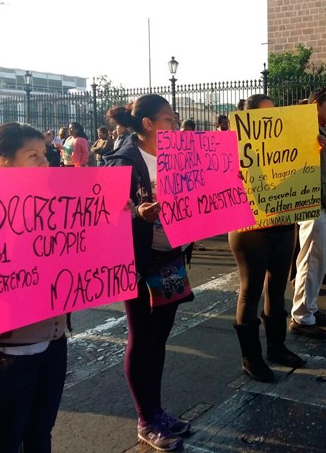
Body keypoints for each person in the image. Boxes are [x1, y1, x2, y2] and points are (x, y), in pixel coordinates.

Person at [0, 122, 69, 453]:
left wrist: (112, 217)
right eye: (33, 156)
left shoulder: (55, 205)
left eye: (45, 155)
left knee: (40, 435)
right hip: (4, 356)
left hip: (53, 344)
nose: (44, 162)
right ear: (3, 163)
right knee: (5, 442)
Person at [104, 95, 194, 452]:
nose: (174, 125)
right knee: (142, 339)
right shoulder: (123, 161)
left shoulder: (178, 155)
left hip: (172, 256)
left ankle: (157, 411)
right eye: (169, 119)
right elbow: (107, 216)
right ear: (148, 124)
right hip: (139, 262)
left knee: (160, 337)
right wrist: (137, 215)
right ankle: (146, 419)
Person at [228, 94, 306, 382]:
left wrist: (313, 150)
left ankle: (277, 347)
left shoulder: (288, 144)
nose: (272, 118)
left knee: (276, 289)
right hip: (250, 227)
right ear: (248, 119)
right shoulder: (231, 147)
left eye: (274, 112)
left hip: (283, 222)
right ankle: (251, 357)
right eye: (265, 114)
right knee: (250, 291)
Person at [289, 88, 326, 339]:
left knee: (317, 261)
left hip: (324, 203)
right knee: (310, 261)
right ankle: (301, 315)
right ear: (315, 106)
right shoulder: (304, 131)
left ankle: (310, 307)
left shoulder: (325, 133)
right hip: (312, 203)